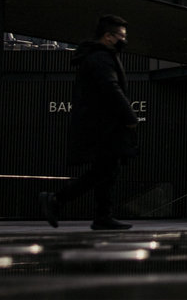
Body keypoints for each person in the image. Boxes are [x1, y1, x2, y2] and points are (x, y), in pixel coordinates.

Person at [40, 15, 139, 231]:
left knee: (106, 171)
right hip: (104, 127)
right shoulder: (101, 58)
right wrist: (129, 117)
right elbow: (111, 89)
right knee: (104, 171)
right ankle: (58, 199)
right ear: (108, 36)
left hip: (101, 125)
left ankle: (101, 215)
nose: (124, 40)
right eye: (121, 36)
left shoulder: (98, 56)